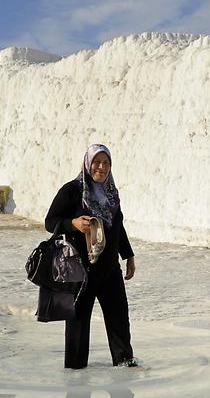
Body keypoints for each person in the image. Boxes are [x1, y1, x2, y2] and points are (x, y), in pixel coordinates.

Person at [42, 144, 139, 368]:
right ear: (88, 163)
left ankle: (124, 362)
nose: (101, 167)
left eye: (106, 163)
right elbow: (50, 222)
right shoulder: (72, 190)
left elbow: (118, 226)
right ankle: (76, 370)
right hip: (79, 269)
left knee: (119, 318)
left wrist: (128, 255)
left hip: (109, 268)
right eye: (97, 162)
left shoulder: (111, 193)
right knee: (78, 321)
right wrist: (73, 224)